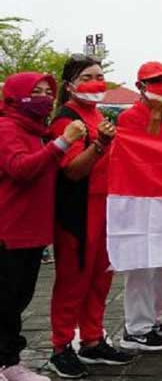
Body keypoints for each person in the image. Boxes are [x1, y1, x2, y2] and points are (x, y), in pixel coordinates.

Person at [48, 55, 135, 378]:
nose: (95, 82)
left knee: (100, 279)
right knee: (73, 281)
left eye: (99, 76)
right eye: (87, 77)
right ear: (70, 84)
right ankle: (60, 347)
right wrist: (100, 145)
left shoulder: (99, 114)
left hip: (106, 208)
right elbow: (71, 171)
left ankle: (92, 340)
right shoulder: (66, 119)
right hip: (78, 212)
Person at [1, 72, 85, 381]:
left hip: (33, 232)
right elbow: (21, 169)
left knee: (17, 301)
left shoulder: (38, 131)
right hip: (9, 231)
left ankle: (9, 363)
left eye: (48, 92)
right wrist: (62, 143)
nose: (44, 97)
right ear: (15, 96)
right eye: (35, 91)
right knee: (4, 302)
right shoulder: (6, 128)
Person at [116, 62, 162, 352]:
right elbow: (143, 156)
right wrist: (154, 116)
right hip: (137, 198)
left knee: (158, 263)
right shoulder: (130, 117)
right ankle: (136, 329)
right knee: (140, 265)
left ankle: (154, 318)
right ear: (141, 86)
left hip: (158, 198)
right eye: (156, 81)